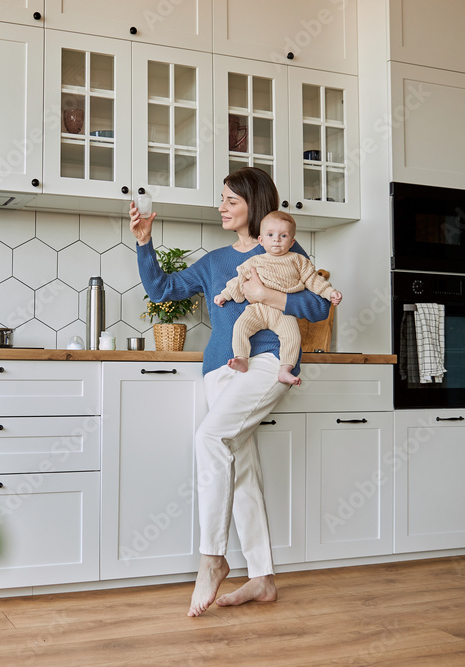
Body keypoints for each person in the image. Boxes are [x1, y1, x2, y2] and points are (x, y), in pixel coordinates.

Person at [129, 167, 330, 617]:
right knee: (240, 467)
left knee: (210, 438)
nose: (221, 207)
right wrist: (144, 242)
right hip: (220, 369)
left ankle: (212, 557)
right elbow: (161, 289)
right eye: (221, 199)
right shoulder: (215, 261)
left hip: (268, 360)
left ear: (254, 205)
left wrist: (267, 294)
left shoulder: (281, 245)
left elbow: (317, 305)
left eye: (231, 200)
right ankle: (262, 578)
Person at [214, 210, 342, 382]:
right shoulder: (254, 261)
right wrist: (224, 295)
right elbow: (238, 280)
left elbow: (314, 280)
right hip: (257, 309)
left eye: (283, 236)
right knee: (240, 327)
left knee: (292, 337)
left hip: (283, 311)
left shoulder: (298, 260)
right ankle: (242, 359)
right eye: (270, 235)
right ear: (261, 240)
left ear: (292, 242)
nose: (276, 239)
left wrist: (330, 292)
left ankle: (285, 369)